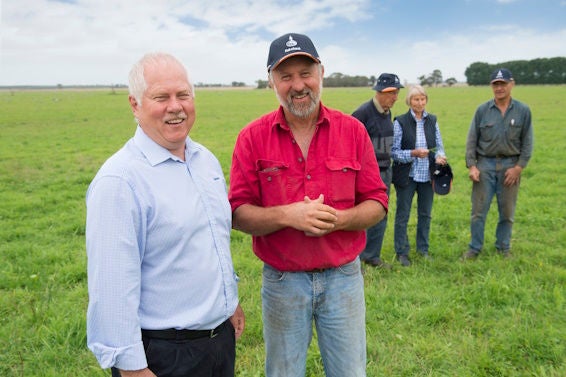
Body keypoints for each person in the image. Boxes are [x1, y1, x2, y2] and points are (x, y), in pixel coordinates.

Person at [228, 33, 388, 376]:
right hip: (283, 282)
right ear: (272, 82)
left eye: (305, 73)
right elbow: (238, 213)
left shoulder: (353, 131)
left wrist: (340, 220)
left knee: (350, 371)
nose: (298, 85)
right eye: (286, 77)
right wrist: (289, 215)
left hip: (343, 278)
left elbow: (377, 202)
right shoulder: (252, 138)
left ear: (321, 73)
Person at [86, 52, 244, 377]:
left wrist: (228, 304)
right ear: (135, 104)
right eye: (161, 97)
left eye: (183, 95)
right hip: (163, 356)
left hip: (218, 343)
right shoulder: (120, 181)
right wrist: (132, 370)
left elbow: (209, 241)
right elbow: (112, 286)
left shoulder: (205, 161)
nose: (176, 106)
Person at [463, 68, 533, 259]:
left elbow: (527, 142)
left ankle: (503, 247)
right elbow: (471, 140)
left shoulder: (523, 111)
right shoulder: (482, 110)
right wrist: (472, 165)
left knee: (507, 213)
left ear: (512, 84)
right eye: (496, 84)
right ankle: (474, 248)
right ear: (491, 86)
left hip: (511, 166)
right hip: (485, 165)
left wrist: (518, 168)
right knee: (478, 212)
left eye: (503, 83)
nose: (499, 88)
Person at [391, 85, 447, 267]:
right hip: (407, 177)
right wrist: (413, 153)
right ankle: (402, 252)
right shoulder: (400, 122)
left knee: (425, 214)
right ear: (409, 101)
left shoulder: (433, 120)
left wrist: (440, 156)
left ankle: (423, 250)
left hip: (427, 176)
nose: (420, 102)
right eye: (416, 99)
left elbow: (439, 145)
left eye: (423, 99)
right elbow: (394, 152)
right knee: (403, 215)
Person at [352, 73, 403, 269]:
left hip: (385, 170)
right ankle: (355, 260)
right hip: (367, 174)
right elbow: (349, 143)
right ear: (380, 91)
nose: (395, 97)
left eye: (397, 92)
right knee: (362, 215)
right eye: (392, 93)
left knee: (381, 214)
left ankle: (372, 256)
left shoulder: (386, 112)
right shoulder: (362, 113)